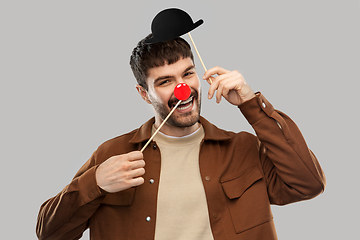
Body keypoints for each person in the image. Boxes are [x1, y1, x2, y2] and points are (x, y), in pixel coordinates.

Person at [36, 34, 326, 240]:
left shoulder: (243, 149)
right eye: (165, 82)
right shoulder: (112, 154)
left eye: (187, 74)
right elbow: (49, 233)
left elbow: (308, 184)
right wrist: (95, 182)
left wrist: (252, 106)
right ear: (143, 94)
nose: (182, 89)